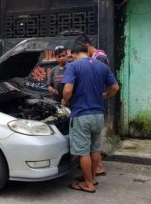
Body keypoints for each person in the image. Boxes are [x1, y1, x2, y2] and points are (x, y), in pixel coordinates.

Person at [61, 43, 119, 193]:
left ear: (73, 54)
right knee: (95, 148)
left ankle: (88, 184)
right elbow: (115, 88)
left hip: (81, 115)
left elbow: (67, 90)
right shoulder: (102, 66)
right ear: (86, 51)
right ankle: (92, 178)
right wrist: (105, 95)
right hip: (98, 115)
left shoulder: (73, 66)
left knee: (83, 152)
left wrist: (65, 101)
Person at [74, 33, 109, 176]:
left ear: (87, 47)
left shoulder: (99, 58)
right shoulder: (99, 57)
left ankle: (96, 169)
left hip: (90, 104)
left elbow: (102, 81)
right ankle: (93, 171)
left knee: (88, 146)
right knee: (94, 144)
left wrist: (104, 94)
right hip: (96, 106)